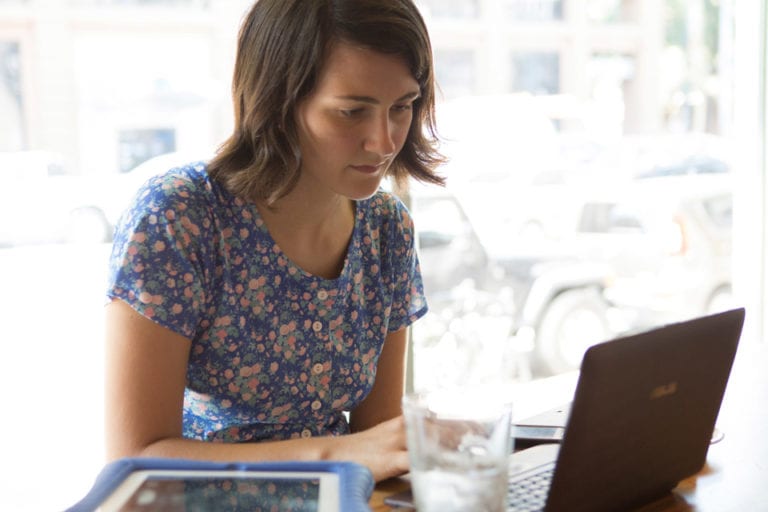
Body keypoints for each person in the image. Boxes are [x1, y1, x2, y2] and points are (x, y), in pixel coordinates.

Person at [103, 0, 445, 483]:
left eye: (403, 107)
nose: (384, 142)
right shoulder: (182, 215)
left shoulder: (387, 229)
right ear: (279, 101)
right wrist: (338, 455)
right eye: (352, 112)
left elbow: (379, 446)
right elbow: (132, 460)